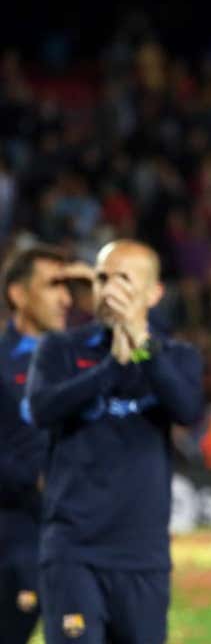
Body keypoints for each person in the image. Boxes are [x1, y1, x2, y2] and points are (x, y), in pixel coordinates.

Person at [25, 240, 204, 644]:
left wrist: (142, 345)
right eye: (102, 277)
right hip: (73, 550)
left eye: (123, 278)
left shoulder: (176, 355)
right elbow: (41, 408)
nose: (108, 289)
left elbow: (188, 410)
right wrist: (111, 369)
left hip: (142, 555)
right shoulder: (61, 348)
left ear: (153, 293)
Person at [0, 245, 81, 644]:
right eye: (53, 285)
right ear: (18, 294)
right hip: (16, 542)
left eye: (69, 286)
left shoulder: (86, 360)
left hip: (81, 541)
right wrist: (33, 479)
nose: (66, 298)